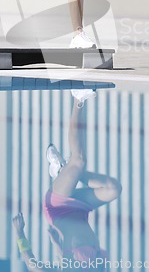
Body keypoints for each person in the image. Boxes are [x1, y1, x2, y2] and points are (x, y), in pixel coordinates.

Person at [12, 90, 122, 271]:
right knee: (113, 189)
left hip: (58, 209)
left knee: (78, 160)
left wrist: (19, 233)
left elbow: (34, 266)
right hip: (81, 209)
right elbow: (68, 260)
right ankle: (65, 170)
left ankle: (78, 98)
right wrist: (58, 246)